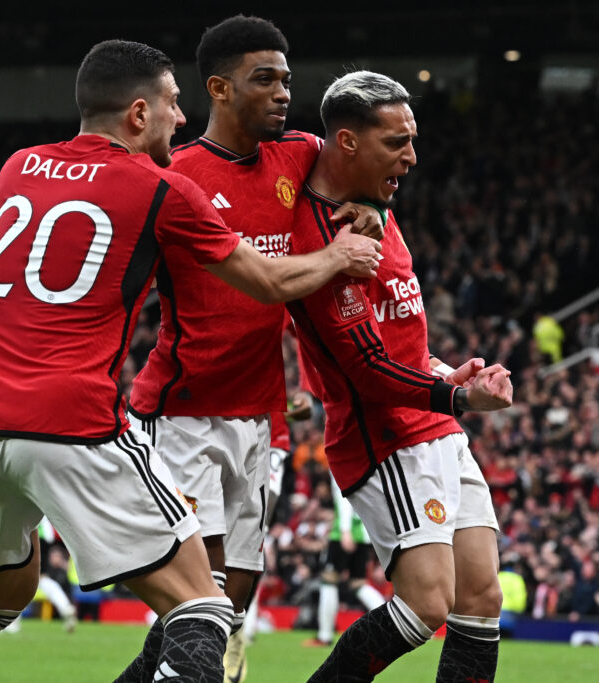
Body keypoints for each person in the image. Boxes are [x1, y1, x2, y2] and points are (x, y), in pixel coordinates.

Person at [0, 39, 380, 683]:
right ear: (139, 115)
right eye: (173, 105)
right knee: (204, 606)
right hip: (70, 423)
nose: (181, 118)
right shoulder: (160, 187)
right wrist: (340, 255)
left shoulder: (16, 166)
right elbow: (269, 281)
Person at [126, 16, 384, 683]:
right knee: (202, 595)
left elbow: (367, 171)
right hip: (185, 410)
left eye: (286, 80)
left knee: (231, 597)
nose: (281, 93)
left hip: (260, 416)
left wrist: (370, 209)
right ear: (218, 87)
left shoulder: (298, 155)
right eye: (262, 79)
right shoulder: (175, 175)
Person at [287, 71, 514, 682]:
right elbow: (367, 369)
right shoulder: (322, 240)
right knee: (426, 603)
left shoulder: (376, 210)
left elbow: (403, 337)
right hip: (385, 434)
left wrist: (444, 369)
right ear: (348, 142)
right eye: (396, 143)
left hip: (432, 420)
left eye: (412, 139)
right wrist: (459, 395)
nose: (412, 157)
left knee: (482, 598)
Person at [304, 474, 385, 647]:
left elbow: (344, 497)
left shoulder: (340, 457)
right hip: (363, 532)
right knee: (358, 584)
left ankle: (324, 635)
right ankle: (388, 626)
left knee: (328, 580)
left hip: (344, 532)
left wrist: (345, 530)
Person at [496, 564, 527, 639]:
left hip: (496, 610)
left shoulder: (498, 576)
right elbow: (520, 597)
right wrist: (520, 610)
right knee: (508, 637)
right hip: (510, 613)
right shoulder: (517, 579)